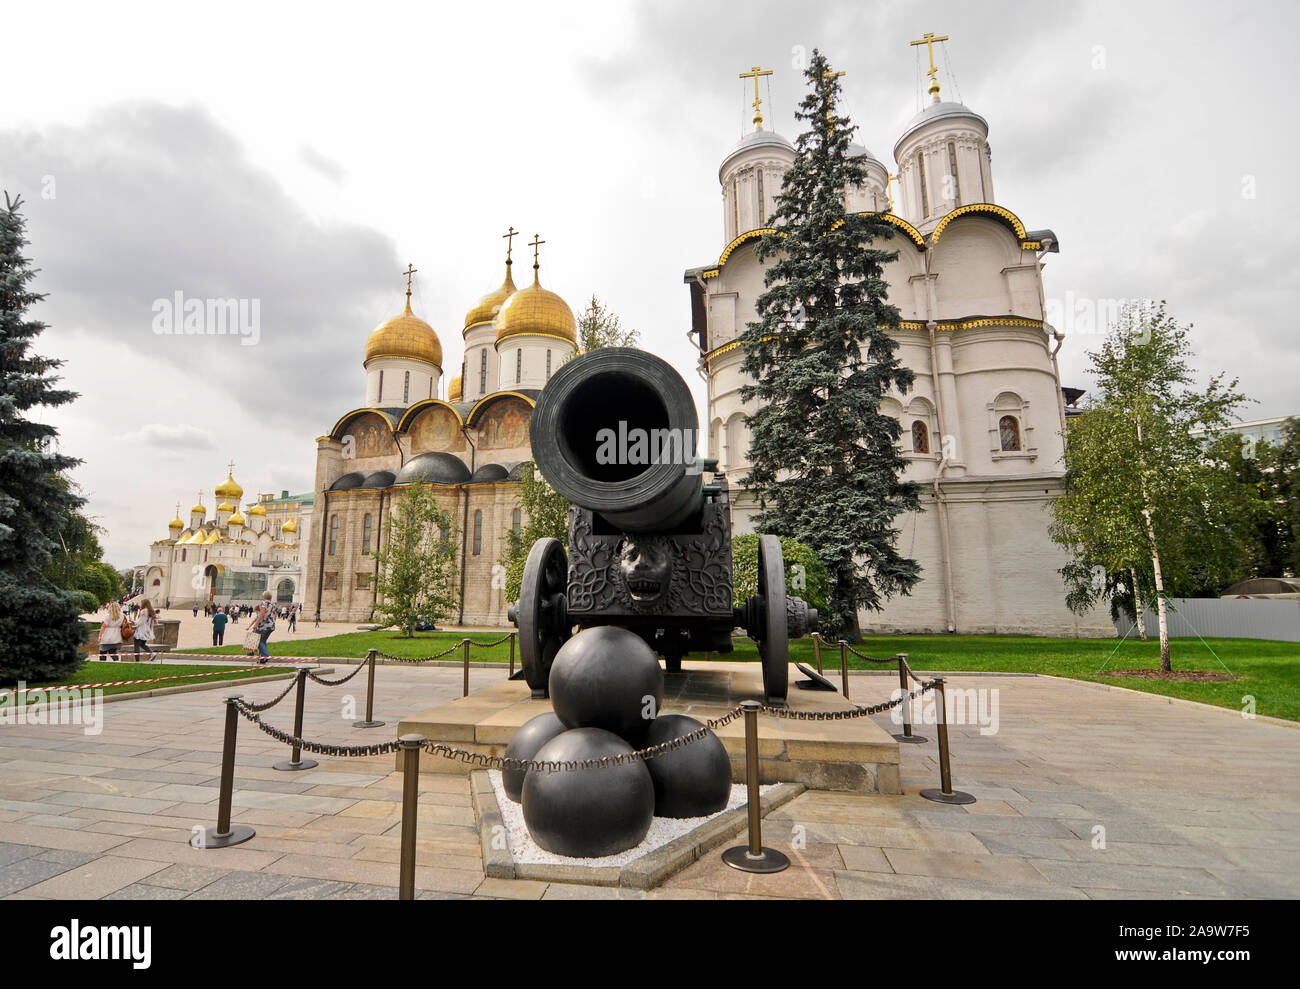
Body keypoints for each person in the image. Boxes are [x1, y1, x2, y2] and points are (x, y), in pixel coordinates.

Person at [251, 591, 276, 663]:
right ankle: (262, 659)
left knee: (259, 642)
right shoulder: (272, 604)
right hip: (271, 625)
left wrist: (256, 624)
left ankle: (266, 655)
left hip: (264, 625)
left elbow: (262, 614)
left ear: (264, 597)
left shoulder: (264, 603)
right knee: (263, 641)